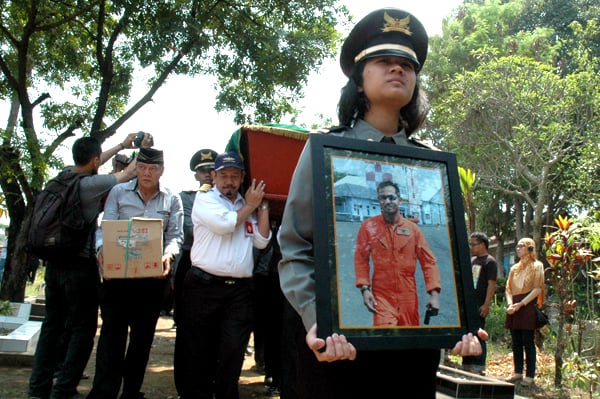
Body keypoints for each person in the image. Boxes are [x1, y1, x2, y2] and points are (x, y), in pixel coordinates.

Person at [277, 8, 487, 399]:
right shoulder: (325, 150)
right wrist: (317, 317)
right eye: (384, 61)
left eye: (407, 64)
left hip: (414, 350)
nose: (398, 70)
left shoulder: (432, 164)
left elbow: (440, 254)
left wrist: (460, 320)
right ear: (358, 82)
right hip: (340, 349)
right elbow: (295, 246)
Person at [28, 134, 139, 399]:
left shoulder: (59, 179)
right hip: (79, 266)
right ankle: (64, 389)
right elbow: (129, 173)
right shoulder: (90, 185)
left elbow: (97, 160)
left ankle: (38, 389)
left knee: (52, 326)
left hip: (53, 266)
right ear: (94, 160)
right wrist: (140, 149)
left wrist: (123, 145)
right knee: (82, 329)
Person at [88, 147, 183, 399]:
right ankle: (103, 392)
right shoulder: (118, 192)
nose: (146, 173)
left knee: (142, 340)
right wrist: (101, 249)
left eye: (152, 169)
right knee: (111, 337)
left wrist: (167, 255)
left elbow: (175, 236)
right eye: (142, 167)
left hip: (151, 282)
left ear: (161, 170)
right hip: (117, 280)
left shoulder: (171, 199)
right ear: (136, 168)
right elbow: (104, 228)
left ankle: (131, 392)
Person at [178, 151, 271, 399]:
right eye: (224, 176)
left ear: (242, 177)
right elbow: (224, 225)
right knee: (199, 352)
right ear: (214, 176)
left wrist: (262, 205)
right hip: (203, 287)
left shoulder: (246, 203)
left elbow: (261, 242)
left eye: (234, 176)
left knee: (233, 351)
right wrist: (252, 204)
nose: (229, 182)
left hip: (239, 292)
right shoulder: (205, 199)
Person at [355, 180, 440, 326]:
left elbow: (428, 261)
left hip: (408, 295)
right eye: (383, 198)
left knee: (410, 341)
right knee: (386, 339)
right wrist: (365, 289)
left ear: (399, 201)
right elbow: (361, 259)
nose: (387, 201)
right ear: (379, 201)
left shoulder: (413, 229)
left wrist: (434, 294)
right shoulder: (368, 227)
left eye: (392, 197)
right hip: (382, 296)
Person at [172, 148, 217, 396]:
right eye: (203, 170)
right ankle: (185, 385)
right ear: (195, 175)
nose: (209, 174)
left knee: (213, 331)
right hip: (190, 266)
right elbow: (190, 231)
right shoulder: (186, 198)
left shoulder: (230, 198)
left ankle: (209, 382)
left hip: (218, 268)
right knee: (187, 329)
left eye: (212, 169)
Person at [504, 237, 545, 387]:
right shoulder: (514, 268)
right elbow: (508, 288)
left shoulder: (537, 266)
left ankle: (530, 374)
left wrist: (521, 303)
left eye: (521, 246)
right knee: (516, 341)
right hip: (514, 306)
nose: (518, 249)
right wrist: (511, 304)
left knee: (528, 341)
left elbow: (537, 288)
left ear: (530, 248)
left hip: (527, 305)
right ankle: (517, 371)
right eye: (517, 246)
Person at [251, 219, 284, 397]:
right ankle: (273, 375)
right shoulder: (266, 217)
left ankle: (284, 377)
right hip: (270, 275)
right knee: (271, 329)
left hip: (290, 274)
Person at [462, 231, 498, 375]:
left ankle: (478, 366)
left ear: (483, 245)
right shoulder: (472, 261)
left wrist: (486, 304)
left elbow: (491, 284)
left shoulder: (490, 262)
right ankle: (467, 364)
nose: (471, 247)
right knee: (468, 334)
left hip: (480, 303)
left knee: (479, 333)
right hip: (469, 304)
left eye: (474, 244)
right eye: (470, 244)